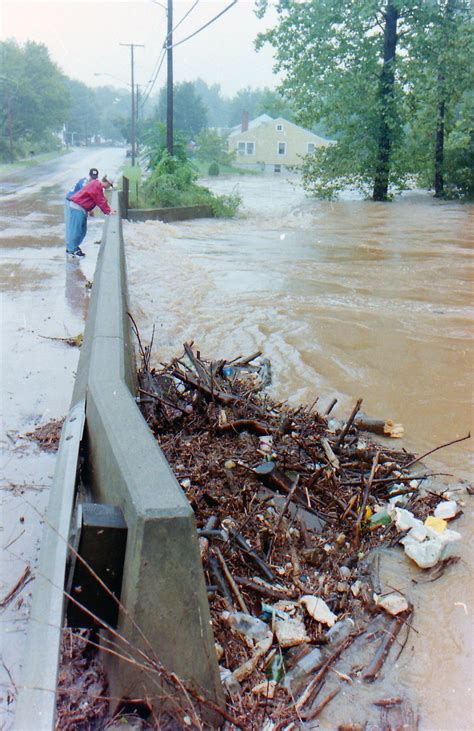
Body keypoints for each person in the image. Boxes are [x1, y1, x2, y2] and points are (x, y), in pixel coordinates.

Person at [66, 175, 115, 257]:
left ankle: (74, 247)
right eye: (109, 185)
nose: (109, 187)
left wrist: (107, 210)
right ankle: (71, 250)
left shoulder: (96, 185)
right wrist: (108, 211)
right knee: (76, 230)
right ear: (107, 182)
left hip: (82, 208)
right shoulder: (96, 185)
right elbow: (100, 200)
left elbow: (97, 198)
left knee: (82, 231)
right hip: (77, 207)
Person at [64, 167, 99, 241]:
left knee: (77, 228)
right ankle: (70, 248)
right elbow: (85, 197)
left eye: (95, 178)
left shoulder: (89, 183)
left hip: (75, 202)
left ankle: (73, 247)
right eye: (92, 178)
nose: (93, 180)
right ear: (89, 176)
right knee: (71, 227)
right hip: (70, 201)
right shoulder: (84, 183)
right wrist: (90, 211)